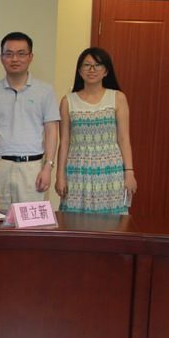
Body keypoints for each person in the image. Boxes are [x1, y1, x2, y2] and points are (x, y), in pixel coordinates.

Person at [0, 32, 59, 211]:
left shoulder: (45, 91)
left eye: (21, 53)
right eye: (9, 54)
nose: (14, 59)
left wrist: (48, 167)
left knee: (31, 223)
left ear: (30, 57)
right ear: (1, 57)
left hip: (32, 169)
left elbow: (52, 131)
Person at [55, 48, 136, 214]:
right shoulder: (67, 101)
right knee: (74, 221)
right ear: (79, 71)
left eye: (97, 65)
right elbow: (64, 142)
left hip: (110, 169)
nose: (92, 70)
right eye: (87, 65)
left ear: (106, 71)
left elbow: (123, 139)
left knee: (112, 221)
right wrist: (60, 176)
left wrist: (129, 172)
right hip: (77, 169)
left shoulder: (117, 98)